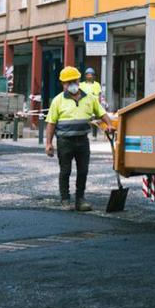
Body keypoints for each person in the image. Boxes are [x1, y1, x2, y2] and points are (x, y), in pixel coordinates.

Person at [44, 66, 117, 211]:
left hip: (82, 141)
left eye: (72, 81)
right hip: (65, 142)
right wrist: (48, 143)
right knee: (65, 171)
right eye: (66, 82)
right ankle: (65, 199)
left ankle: (80, 199)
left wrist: (109, 124)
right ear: (62, 84)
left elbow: (101, 113)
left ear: (78, 81)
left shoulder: (89, 98)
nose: (70, 85)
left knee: (83, 171)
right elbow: (51, 123)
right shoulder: (58, 101)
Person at [79, 67, 103, 139]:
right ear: (85, 76)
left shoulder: (97, 85)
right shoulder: (81, 84)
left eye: (91, 75)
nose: (89, 76)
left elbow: (98, 95)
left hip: (94, 105)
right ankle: (84, 134)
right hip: (85, 105)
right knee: (85, 121)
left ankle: (94, 135)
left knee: (94, 121)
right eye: (88, 75)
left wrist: (99, 105)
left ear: (93, 76)